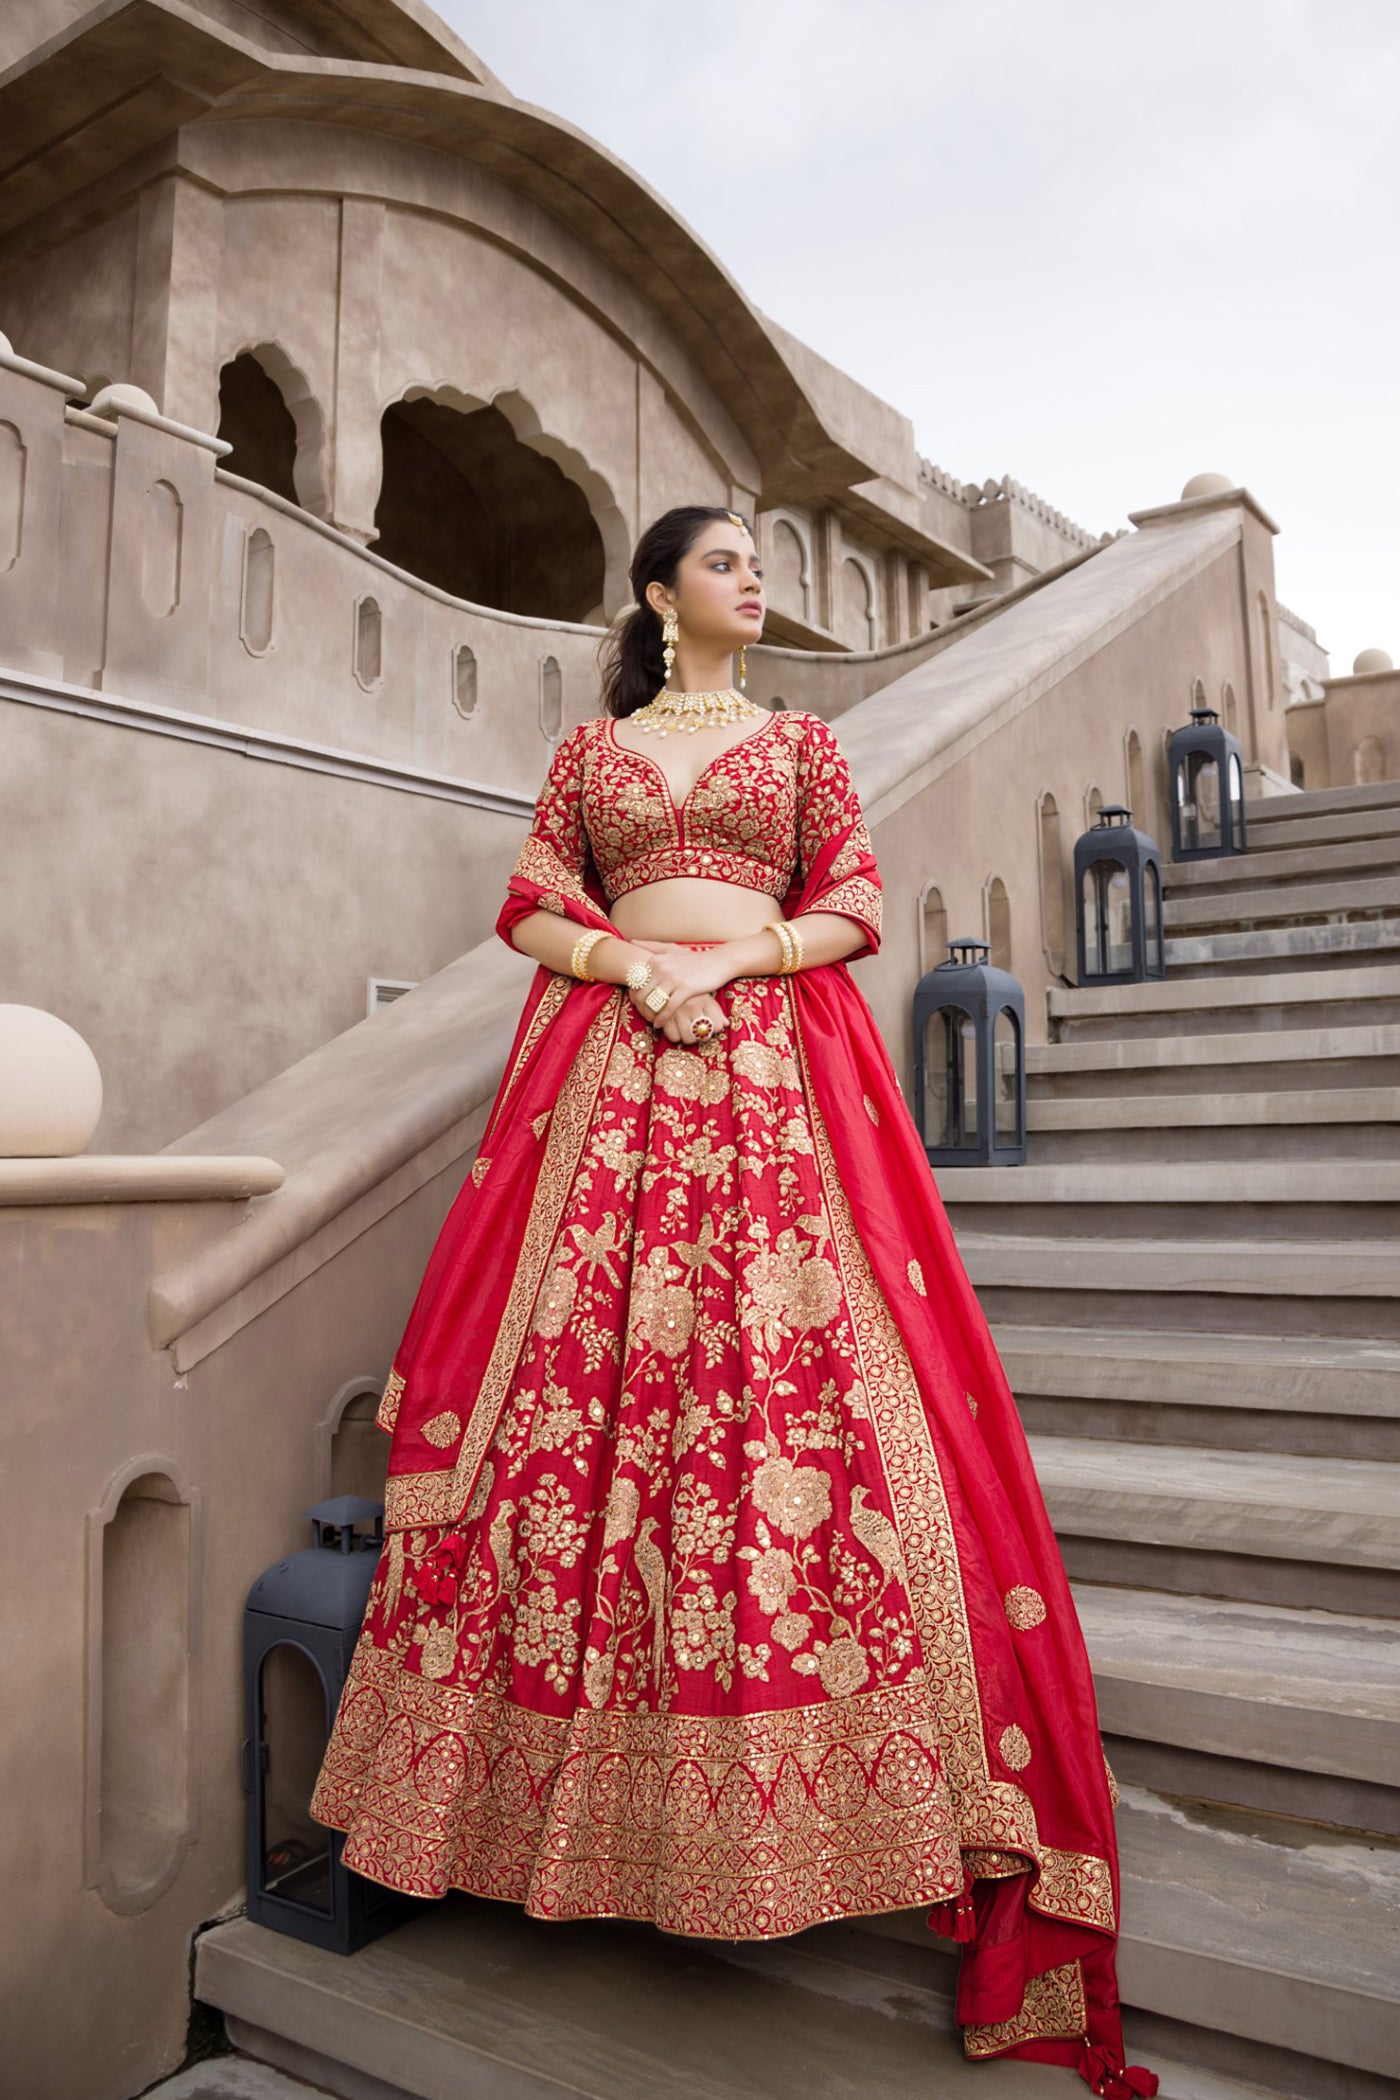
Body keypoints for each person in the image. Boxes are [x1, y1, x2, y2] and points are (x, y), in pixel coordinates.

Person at [311, 505, 1156, 2097]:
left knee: (768, 1408)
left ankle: (808, 1806)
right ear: (658, 592)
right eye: (725, 562)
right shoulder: (592, 752)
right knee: (582, 1419)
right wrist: (633, 971)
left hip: (767, 1080)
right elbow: (531, 907)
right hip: (615, 1083)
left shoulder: (806, 745)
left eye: (763, 564)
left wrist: (734, 964)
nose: (753, 581)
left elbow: (852, 901)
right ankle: (573, 1817)